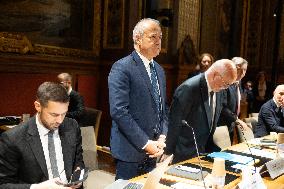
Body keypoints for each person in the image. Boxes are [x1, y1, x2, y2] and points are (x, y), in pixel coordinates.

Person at [108, 18, 168, 180]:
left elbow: (163, 109)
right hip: (130, 151)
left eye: (160, 37)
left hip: (154, 150)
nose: (158, 42)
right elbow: (119, 111)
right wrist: (146, 143)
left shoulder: (160, 70)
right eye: (153, 37)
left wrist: (162, 136)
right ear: (137, 39)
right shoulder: (122, 67)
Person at [0, 82, 84, 189]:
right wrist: (37, 188)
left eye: (64, 113)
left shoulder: (72, 126)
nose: (60, 120)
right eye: (54, 114)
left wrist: (78, 172)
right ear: (38, 106)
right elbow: (3, 185)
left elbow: (78, 159)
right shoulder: (12, 139)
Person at [162, 59, 237, 163]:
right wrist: (168, 152)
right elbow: (174, 123)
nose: (226, 88)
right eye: (226, 84)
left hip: (205, 152)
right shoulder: (189, 88)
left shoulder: (219, 90)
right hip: (185, 153)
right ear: (215, 75)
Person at [217, 57, 248, 143]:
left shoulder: (239, 82)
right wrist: (236, 119)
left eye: (245, 70)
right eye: (241, 69)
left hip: (231, 123)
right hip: (220, 124)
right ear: (234, 68)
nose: (243, 73)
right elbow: (222, 106)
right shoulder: (225, 82)